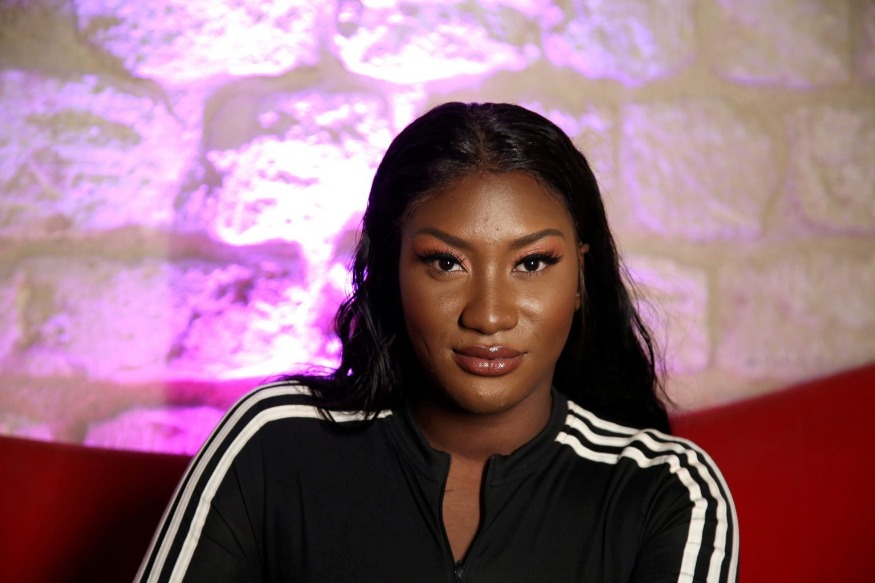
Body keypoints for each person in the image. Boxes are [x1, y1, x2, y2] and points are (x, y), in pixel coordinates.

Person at [136, 102, 738, 582]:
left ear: (581, 276)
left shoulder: (667, 491)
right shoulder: (276, 440)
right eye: (446, 263)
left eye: (532, 263)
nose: (489, 315)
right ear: (391, 272)